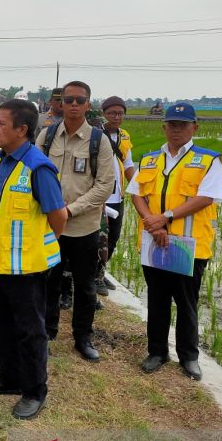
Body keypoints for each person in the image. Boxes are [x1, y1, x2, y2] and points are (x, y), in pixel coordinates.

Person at [0, 99, 67, 420]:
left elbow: (59, 217)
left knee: (30, 329)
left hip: (26, 266)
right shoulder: (4, 160)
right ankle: (9, 376)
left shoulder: (37, 167)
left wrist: (34, 246)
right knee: (1, 321)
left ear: (21, 130)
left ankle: (35, 389)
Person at [127, 102, 222, 381]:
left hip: (188, 246)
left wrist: (165, 218)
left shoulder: (208, 160)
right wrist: (151, 222)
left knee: (186, 303)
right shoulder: (149, 160)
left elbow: (206, 197)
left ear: (195, 127)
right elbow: (136, 194)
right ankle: (157, 352)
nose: (176, 129)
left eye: (183, 124)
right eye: (172, 124)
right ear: (164, 127)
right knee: (156, 301)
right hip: (154, 243)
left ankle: (189, 357)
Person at [38, 80, 115, 362]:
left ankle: (83, 336)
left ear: (88, 105)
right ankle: (47, 331)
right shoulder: (46, 137)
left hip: (84, 228)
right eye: (68, 99)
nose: (73, 105)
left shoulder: (99, 140)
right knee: (49, 282)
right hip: (49, 228)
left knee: (84, 286)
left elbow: (104, 185)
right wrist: (51, 210)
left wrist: (69, 211)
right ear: (60, 102)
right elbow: (32, 174)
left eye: (79, 100)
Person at [96, 96, 135, 296]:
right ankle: (96, 276)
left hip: (117, 196)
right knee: (99, 238)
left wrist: (138, 187)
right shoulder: (95, 133)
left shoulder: (124, 136)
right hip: (100, 197)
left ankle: (101, 273)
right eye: (112, 113)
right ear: (104, 114)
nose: (116, 117)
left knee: (113, 238)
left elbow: (128, 165)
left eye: (120, 113)